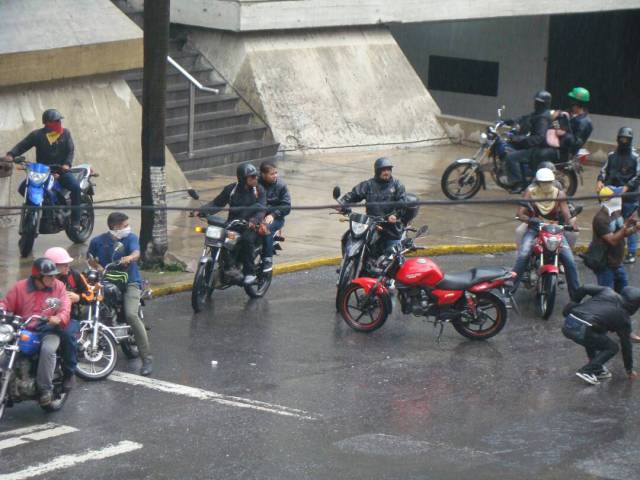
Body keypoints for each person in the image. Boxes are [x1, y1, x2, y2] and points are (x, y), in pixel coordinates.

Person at [87, 212, 153, 376]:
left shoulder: (130, 238)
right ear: (114, 227)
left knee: (131, 315)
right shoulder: (98, 241)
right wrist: (97, 266)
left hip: (130, 282)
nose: (127, 228)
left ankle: (147, 359)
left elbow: (136, 253)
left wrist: (129, 258)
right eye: (124, 226)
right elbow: (90, 258)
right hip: (107, 281)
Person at [0, 258, 71, 405]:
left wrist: (59, 317)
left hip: (48, 331)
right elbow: (6, 304)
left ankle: (45, 389)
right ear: (38, 276)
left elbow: (65, 306)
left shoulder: (58, 287)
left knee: (48, 350)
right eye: (49, 276)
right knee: (5, 348)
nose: (53, 278)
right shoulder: (20, 287)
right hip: (23, 330)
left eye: (54, 275)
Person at [3, 109, 82, 231]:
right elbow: (22, 145)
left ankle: (76, 220)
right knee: (23, 188)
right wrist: (11, 155)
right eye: (55, 121)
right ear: (46, 123)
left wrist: (66, 165)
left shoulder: (65, 133)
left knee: (76, 187)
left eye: (59, 121)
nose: (58, 123)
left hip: (61, 170)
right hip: (42, 171)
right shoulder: (37, 135)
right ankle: (36, 212)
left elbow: (70, 150)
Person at [511, 167, 580, 298]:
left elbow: (566, 212)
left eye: (549, 182)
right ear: (538, 182)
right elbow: (520, 213)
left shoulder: (559, 194)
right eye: (543, 182)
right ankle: (509, 290)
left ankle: (576, 296)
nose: (546, 185)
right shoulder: (530, 193)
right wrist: (531, 220)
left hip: (555, 229)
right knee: (523, 255)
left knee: (570, 260)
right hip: (535, 229)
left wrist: (571, 223)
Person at [561, 285, 640, 385]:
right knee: (612, 347)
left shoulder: (607, 291)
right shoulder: (624, 318)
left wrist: (573, 303)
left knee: (596, 333)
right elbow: (626, 346)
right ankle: (586, 371)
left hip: (568, 324)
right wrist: (629, 370)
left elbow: (584, 288)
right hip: (584, 329)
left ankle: (596, 368)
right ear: (634, 306)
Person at [202, 163, 267, 284]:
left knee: (247, 240)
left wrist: (254, 221)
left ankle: (250, 273)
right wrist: (201, 211)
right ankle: (229, 267)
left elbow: (262, 208)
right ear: (243, 179)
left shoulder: (259, 190)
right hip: (233, 224)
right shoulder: (231, 189)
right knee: (221, 239)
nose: (255, 179)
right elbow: (217, 204)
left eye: (255, 176)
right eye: (252, 177)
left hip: (251, 226)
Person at [339, 157, 407, 252]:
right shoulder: (368, 185)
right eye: (383, 170)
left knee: (393, 254)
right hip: (371, 225)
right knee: (348, 239)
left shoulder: (397, 185)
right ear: (377, 171)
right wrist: (343, 203)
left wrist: (395, 215)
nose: (386, 172)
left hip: (391, 227)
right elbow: (354, 194)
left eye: (388, 169)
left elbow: (402, 203)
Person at [44, 247, 87, 391]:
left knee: (67, 336)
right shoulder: (42, 280)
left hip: (70, 318)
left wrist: (79, 297)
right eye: (64, 264)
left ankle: (69, 373)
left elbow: (90, 294)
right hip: (45, 318)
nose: (68, 267)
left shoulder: (74, 276)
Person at [596, 127, 640, 263]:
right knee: (611, 223)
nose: (623, 141)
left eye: (626, 139)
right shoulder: (611, 155)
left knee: (629, 223)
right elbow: (604, 170)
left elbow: (639, 175)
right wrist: (599, 181)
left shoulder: (635, 157)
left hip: (628, 196)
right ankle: (612, 250)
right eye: (621, 139)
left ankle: (631, 252)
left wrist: (627, 187)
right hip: (610, 195)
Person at [516, 162, 578, 249]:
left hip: (556, 220)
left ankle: (565, 253)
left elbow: (566, 204)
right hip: (536, 220)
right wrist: (529, 219)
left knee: (573, 233)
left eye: (553, 173)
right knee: (519, 232)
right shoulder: (531, 189)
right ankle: (521, 254)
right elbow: (522, 210)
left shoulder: (557, 185)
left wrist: (571, 216)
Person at [590, 187, 638, 292]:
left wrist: (635, 228)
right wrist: (625, 225)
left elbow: (622, 233)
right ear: (608, 199)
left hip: (617, 264)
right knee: (607, 298)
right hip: (605, 265)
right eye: (617, 196)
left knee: (624, 294)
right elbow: (612, 240)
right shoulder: (600, 219)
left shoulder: (616, 213)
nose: (620, 198)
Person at [504, 90, 554, 192]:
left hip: (539, 148)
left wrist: (521, 140)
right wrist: (512, 121)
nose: (536, 104)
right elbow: (525, 118)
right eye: (536, 102)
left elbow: (539, 138)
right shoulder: (539, 113)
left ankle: (518, 184)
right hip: (536, 145)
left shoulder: (543, 118)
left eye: (539, 102)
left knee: (511, 157)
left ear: (544, 104)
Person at [258, 161, 291, 273]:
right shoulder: (255, 183)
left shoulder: (281, 186)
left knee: (266, 228)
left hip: (276, 218)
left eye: (276, 173)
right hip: (257, 215)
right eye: (272, 174)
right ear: (263, 174)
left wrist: (273, 214)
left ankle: (267, 259)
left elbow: (286, 206)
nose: (275, 176)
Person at [556, 87, 593, 159]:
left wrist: (564, 134)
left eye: (572, 100)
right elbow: (556, 129)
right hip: (555, 146)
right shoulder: (566, 114)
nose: (569, 102)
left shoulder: (585, 122)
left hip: (566, 154)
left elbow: (576, 143)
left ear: (576, 103)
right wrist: (554, 119)